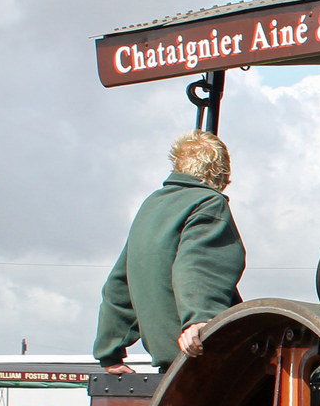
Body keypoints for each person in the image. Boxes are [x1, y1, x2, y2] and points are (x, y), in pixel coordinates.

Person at [95, 130, 246, 372]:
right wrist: (201, 320)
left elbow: (119, 284)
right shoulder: (209, 203)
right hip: (203, 355)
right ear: (222, 171)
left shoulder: (152, 204)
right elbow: (198, 265)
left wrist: (109, 354)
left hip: (171, 366)